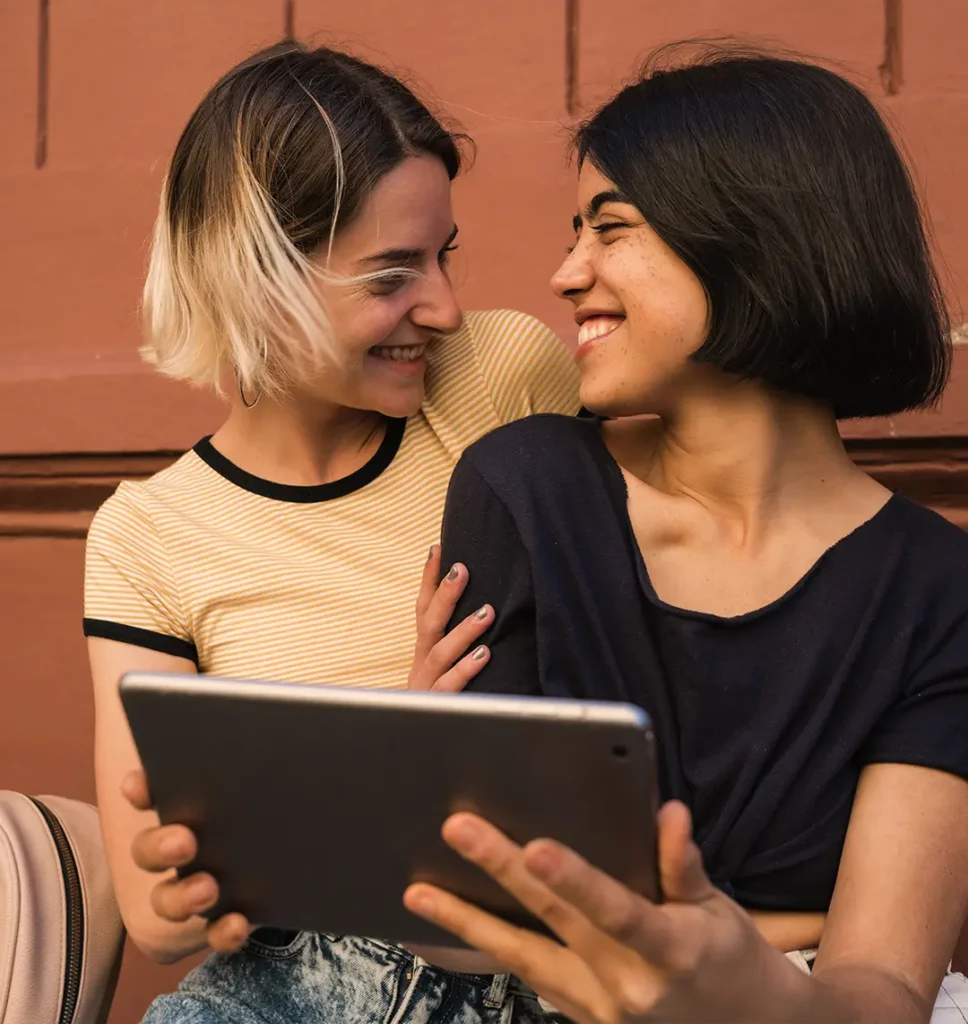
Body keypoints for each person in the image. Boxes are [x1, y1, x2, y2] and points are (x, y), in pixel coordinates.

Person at [403, 47, 968, 1022]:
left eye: (609, 231)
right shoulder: (526, 488)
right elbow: (451, 924)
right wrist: (413, 783)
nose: (565, 272)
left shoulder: (936, 588)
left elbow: (881, 985)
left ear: (754, 237)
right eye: (574, 232)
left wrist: (741, 993)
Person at [84, 41, 579, 1024]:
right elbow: (156, 914)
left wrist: (296, 817)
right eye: (391, 273)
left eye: (443, 254)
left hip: (541, 972)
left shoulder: (502, 379)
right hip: (294, 991)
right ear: (255, 277)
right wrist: (398, 760)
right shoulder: (147, 536)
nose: (439, 305)